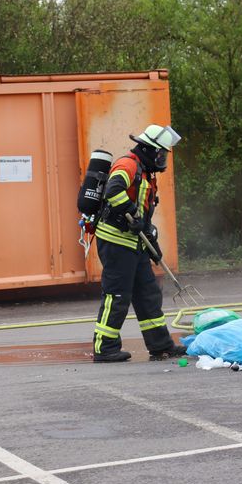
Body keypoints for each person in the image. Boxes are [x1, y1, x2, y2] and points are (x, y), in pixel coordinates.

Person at [91, 124, 187, 363]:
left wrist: (151, 240)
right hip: (116, 242)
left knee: (147, 294)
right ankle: (105, 347)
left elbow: (142, 219)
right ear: (150, 150)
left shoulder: (146, 172)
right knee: (117, 294)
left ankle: (160, 345)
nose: (163, 158)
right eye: (161, 153)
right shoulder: (128, 165)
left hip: (135, 243)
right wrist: (131, 212)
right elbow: (113, 191)